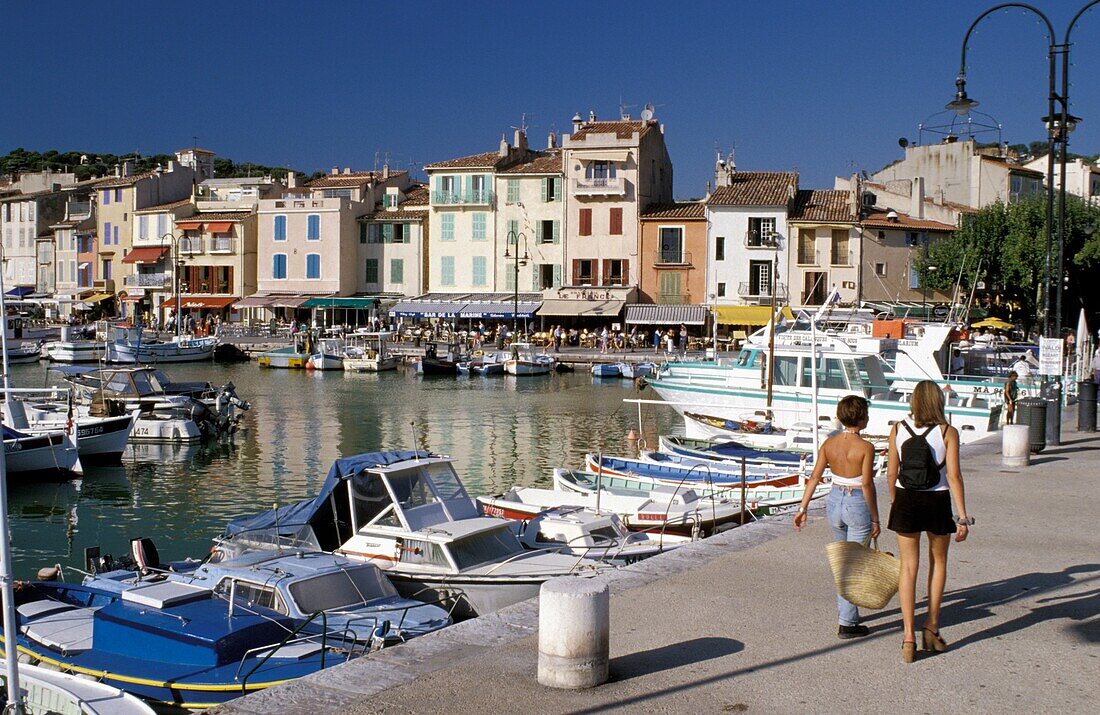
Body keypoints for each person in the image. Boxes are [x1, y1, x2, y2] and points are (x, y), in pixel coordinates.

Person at [887, 380, 971, 663]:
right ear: (938, 401)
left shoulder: (898, 429)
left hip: (905, 498)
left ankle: (908, 635)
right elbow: (954, 476)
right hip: (937, 501)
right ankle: (931, 627)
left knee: (908, 567)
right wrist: (962, 516)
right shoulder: (948, 431)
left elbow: (890, 472)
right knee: (939, 563)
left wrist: (894, 501)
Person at [794, 395, 879, 639]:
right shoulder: (866, 448)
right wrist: (875, 518)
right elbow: (867, 485)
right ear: (861, 417)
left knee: (843, 562)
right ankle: (847, 622)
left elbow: (813, 477)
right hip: (856, 503)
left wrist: (803, 508)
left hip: (834, 501)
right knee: (853, 564)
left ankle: (847, 615)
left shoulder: (829, 444)